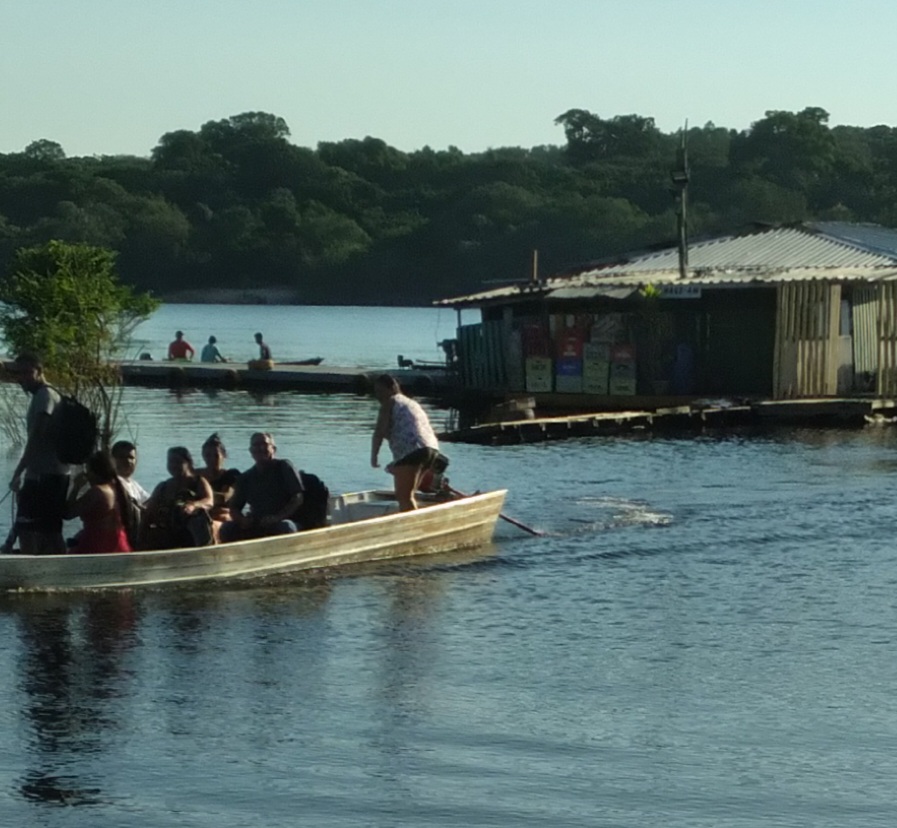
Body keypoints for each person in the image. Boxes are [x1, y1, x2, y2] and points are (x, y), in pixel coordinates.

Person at [8, 352, 71, 554]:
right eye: (19, 374)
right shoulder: (44, 395)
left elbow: (36, 438)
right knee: (43, 528)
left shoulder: (46, 396)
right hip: (48, 474)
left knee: (34, 528)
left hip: (47, 476)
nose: (22, 378)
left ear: (40, 372)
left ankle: (32, 573)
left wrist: (18, 472)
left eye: (28, 373)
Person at [371, 373, 440, 511]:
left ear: (392, 388)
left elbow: (379, 431)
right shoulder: (410, 403)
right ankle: (415, 523)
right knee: (409, 494)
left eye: (380, 391)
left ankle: (414, 530)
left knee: (404, 497)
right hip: (430, 449)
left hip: (412, 450)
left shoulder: (390, 402)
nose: (377, 395)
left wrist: (374, 456)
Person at [219, 432, 304, 542]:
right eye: (256, 445)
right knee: (227, 528)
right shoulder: (246, 477)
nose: (260, 448)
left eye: (264, 444)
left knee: (286, 527)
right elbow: (234, 507)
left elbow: (298, 497)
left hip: (284, 520)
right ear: (251, 451)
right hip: (257, 522)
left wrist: (277, 517)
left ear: (273, 449)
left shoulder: (284, 467)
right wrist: (242, 520)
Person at [142, 447, 215, 549]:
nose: (173, 466)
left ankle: (204, 553)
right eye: (170, 462)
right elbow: (150, 510)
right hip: (168, 530)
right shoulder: (163, 486)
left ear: (188, 463)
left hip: (192, 532)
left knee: (198, 519)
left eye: (177, 462)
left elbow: (209, 501)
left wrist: (193, 505)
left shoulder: (197, 481)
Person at [65, 451, 133, 554]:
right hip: (118, 544)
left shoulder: (97, 492)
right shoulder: (117, 488)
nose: (86, 474)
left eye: (88, 470)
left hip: (97, 545)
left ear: (95, 471)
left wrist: (76, 487)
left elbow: (68, 513)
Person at [196, 433, 241, 539]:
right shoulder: (195, 475)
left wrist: (197, 498)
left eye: (216, 455)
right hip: (199, 516)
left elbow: (224, 497)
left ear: (223, 455)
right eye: (207, 455)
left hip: (223, 518)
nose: (211, 459)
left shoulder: (231, 475)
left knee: (209, 526)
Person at [111, 440, 151, 505]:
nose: (128, 461)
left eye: (131, 457)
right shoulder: (112, 482)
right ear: (112, 459)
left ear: (136, 461)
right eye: (122, 457)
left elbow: (149, 501)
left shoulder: (134, 484)